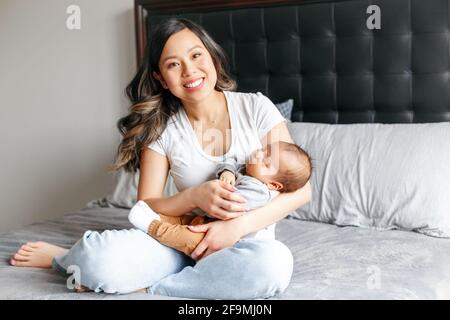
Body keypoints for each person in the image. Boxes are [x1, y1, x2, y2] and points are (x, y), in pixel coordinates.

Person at [9, 18, 311, 299]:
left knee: (274, 266)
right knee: (98, 259)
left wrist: (236, 227)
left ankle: (156, 287)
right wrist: (195, 196)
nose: (189, 71)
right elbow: (146, 206)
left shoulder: (256, 108)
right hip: (178, 239)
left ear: (213, 58)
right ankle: (64, 257)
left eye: (196, 56)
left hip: (244, 245)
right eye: (173, 64)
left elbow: (301, 191)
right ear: (161, 78)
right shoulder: (162, 130)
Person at [129, 141, 312, 256]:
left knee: (185, 236)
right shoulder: (248, 170)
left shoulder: (259, 191)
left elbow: (230, 205)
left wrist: (224, 190)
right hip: (205, 221)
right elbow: (231, 161)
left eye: (265, 161)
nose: (258, 155)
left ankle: (153, 227)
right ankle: (158, 220)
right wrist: (227, 172)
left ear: (274, 185)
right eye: (264, 150)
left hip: (223, 242)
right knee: (184, 221)